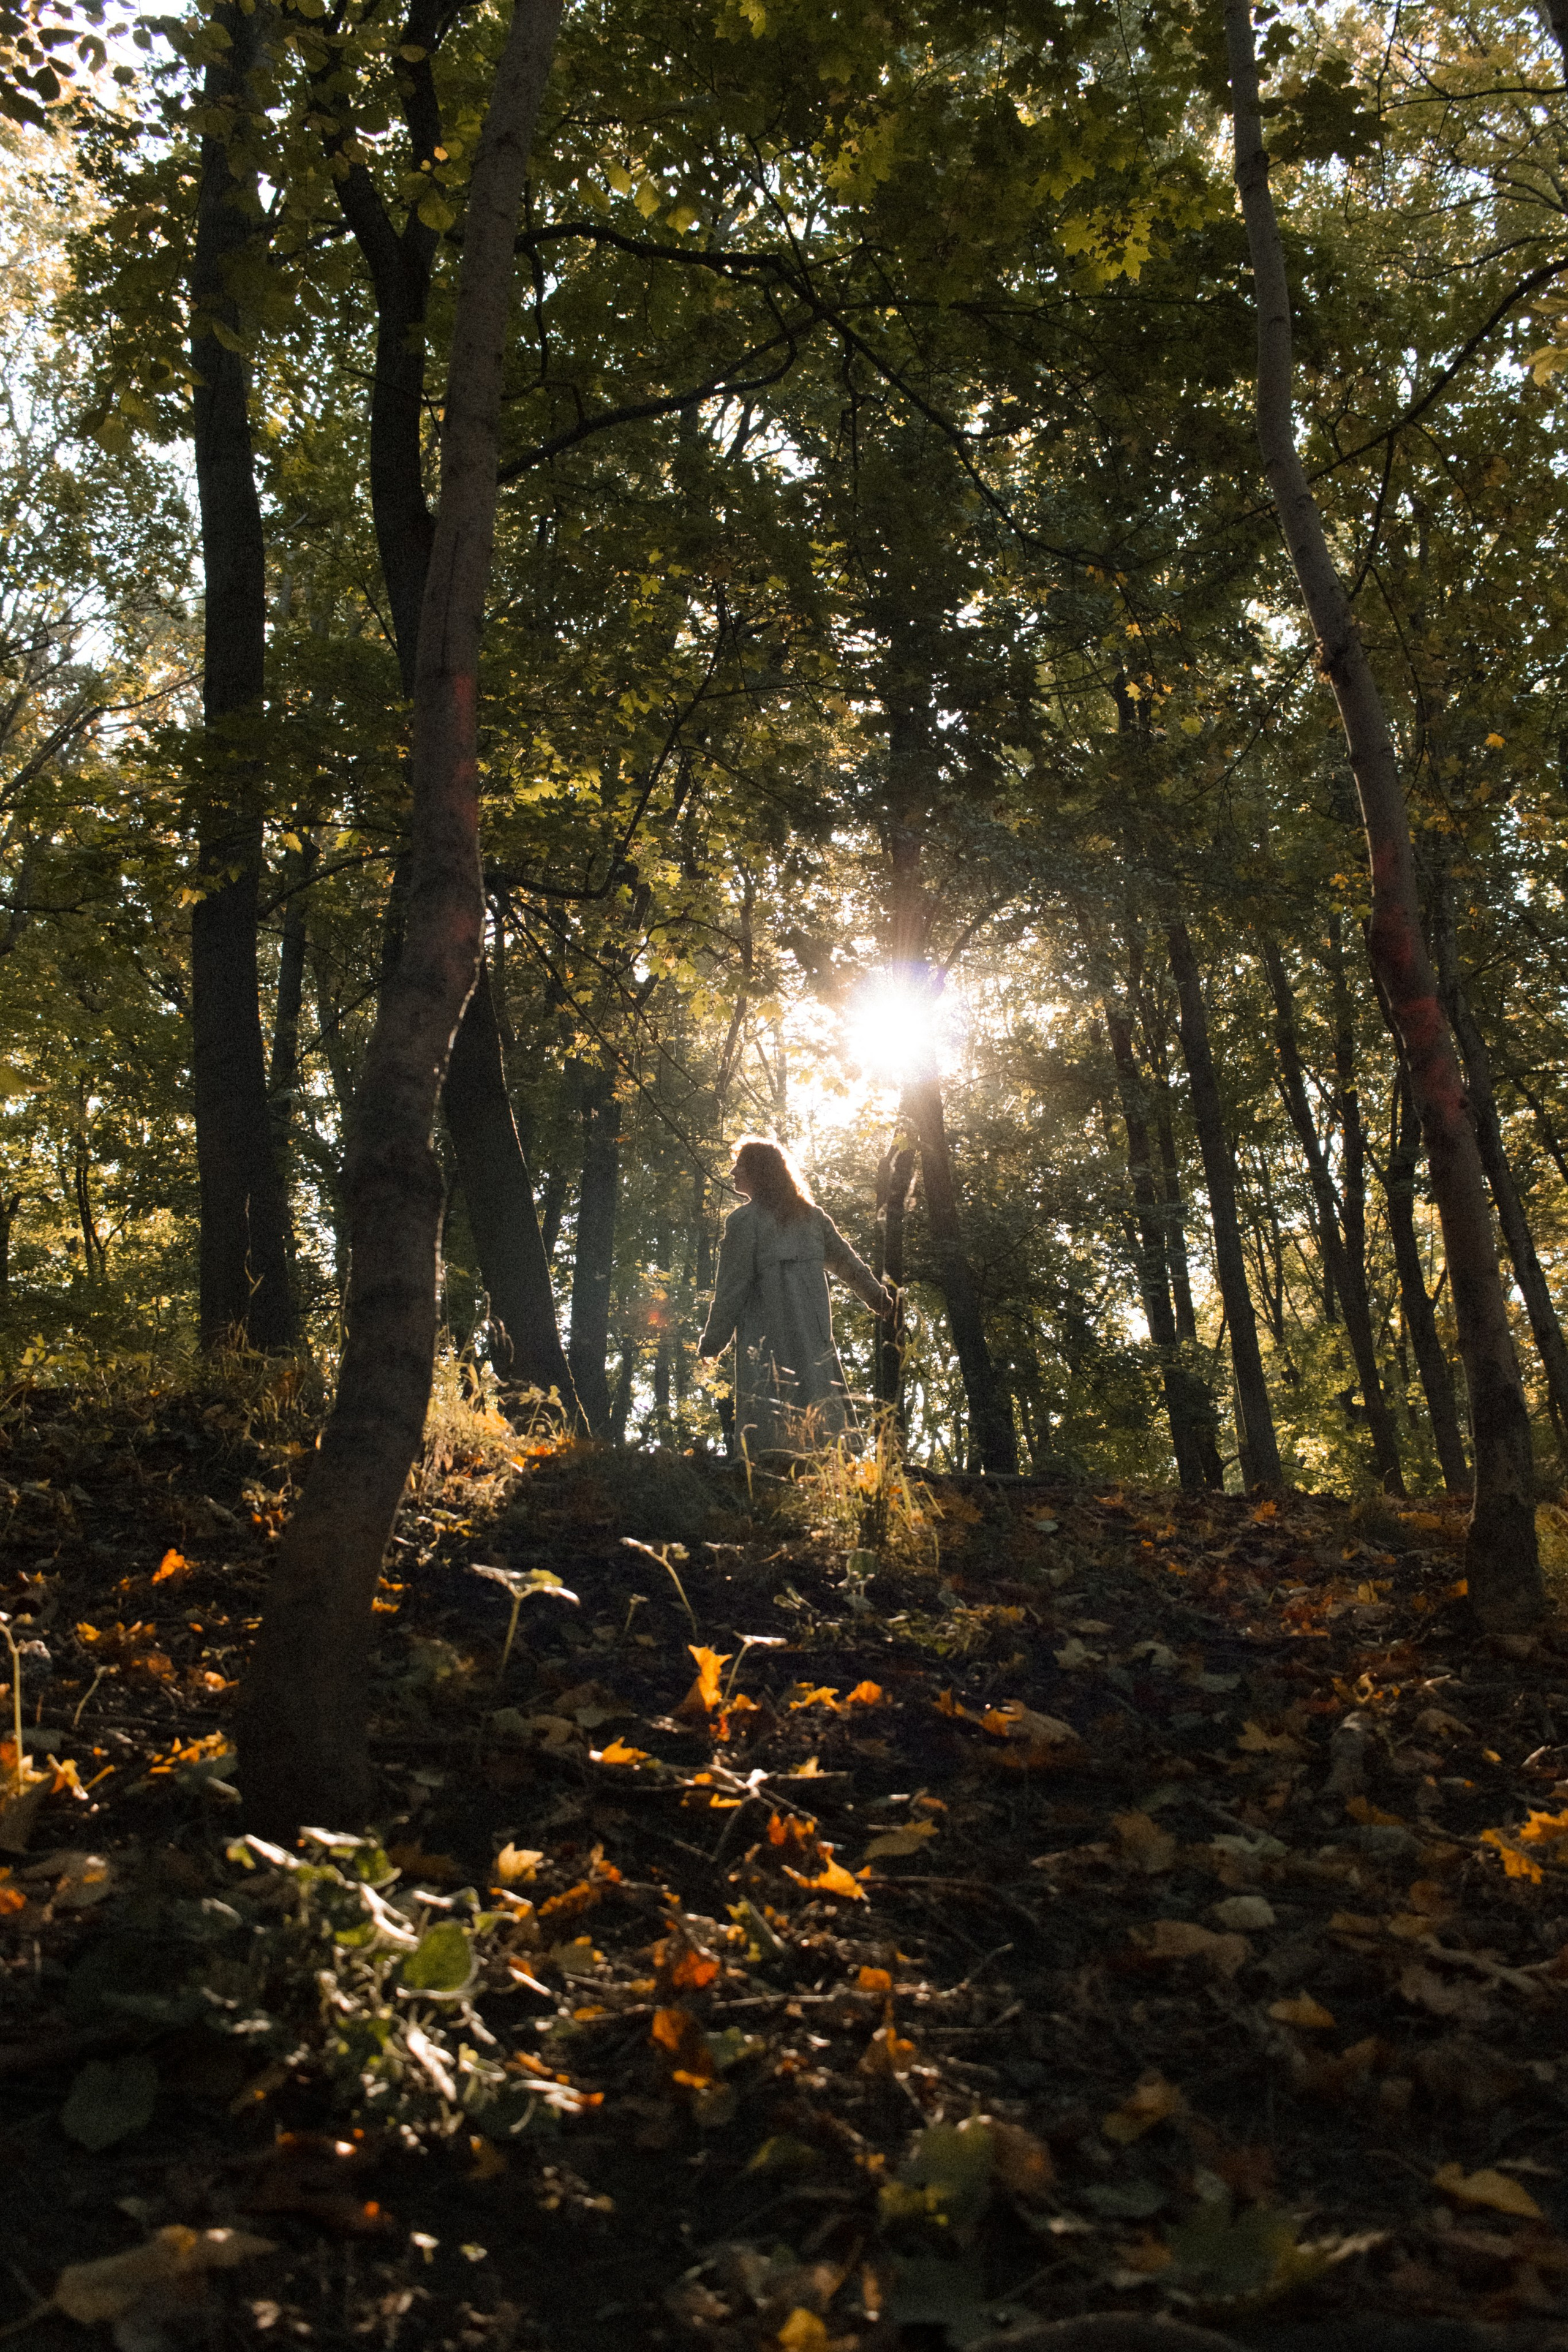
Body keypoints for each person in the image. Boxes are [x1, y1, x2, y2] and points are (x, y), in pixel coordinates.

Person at [698, 1136, 894, 1455]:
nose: (733, 1173)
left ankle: (776, 1472)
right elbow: (849, 1264)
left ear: (760, 1173)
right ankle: (821, 1468)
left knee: (773, 1399)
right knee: (814, 1392)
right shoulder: (808, 1217)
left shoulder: (750, 1221)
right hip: (807, 1328)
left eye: (740, 1166)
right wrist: (877, 1298)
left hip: (768, 1333)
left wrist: (713, 1341)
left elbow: (730, 1289)